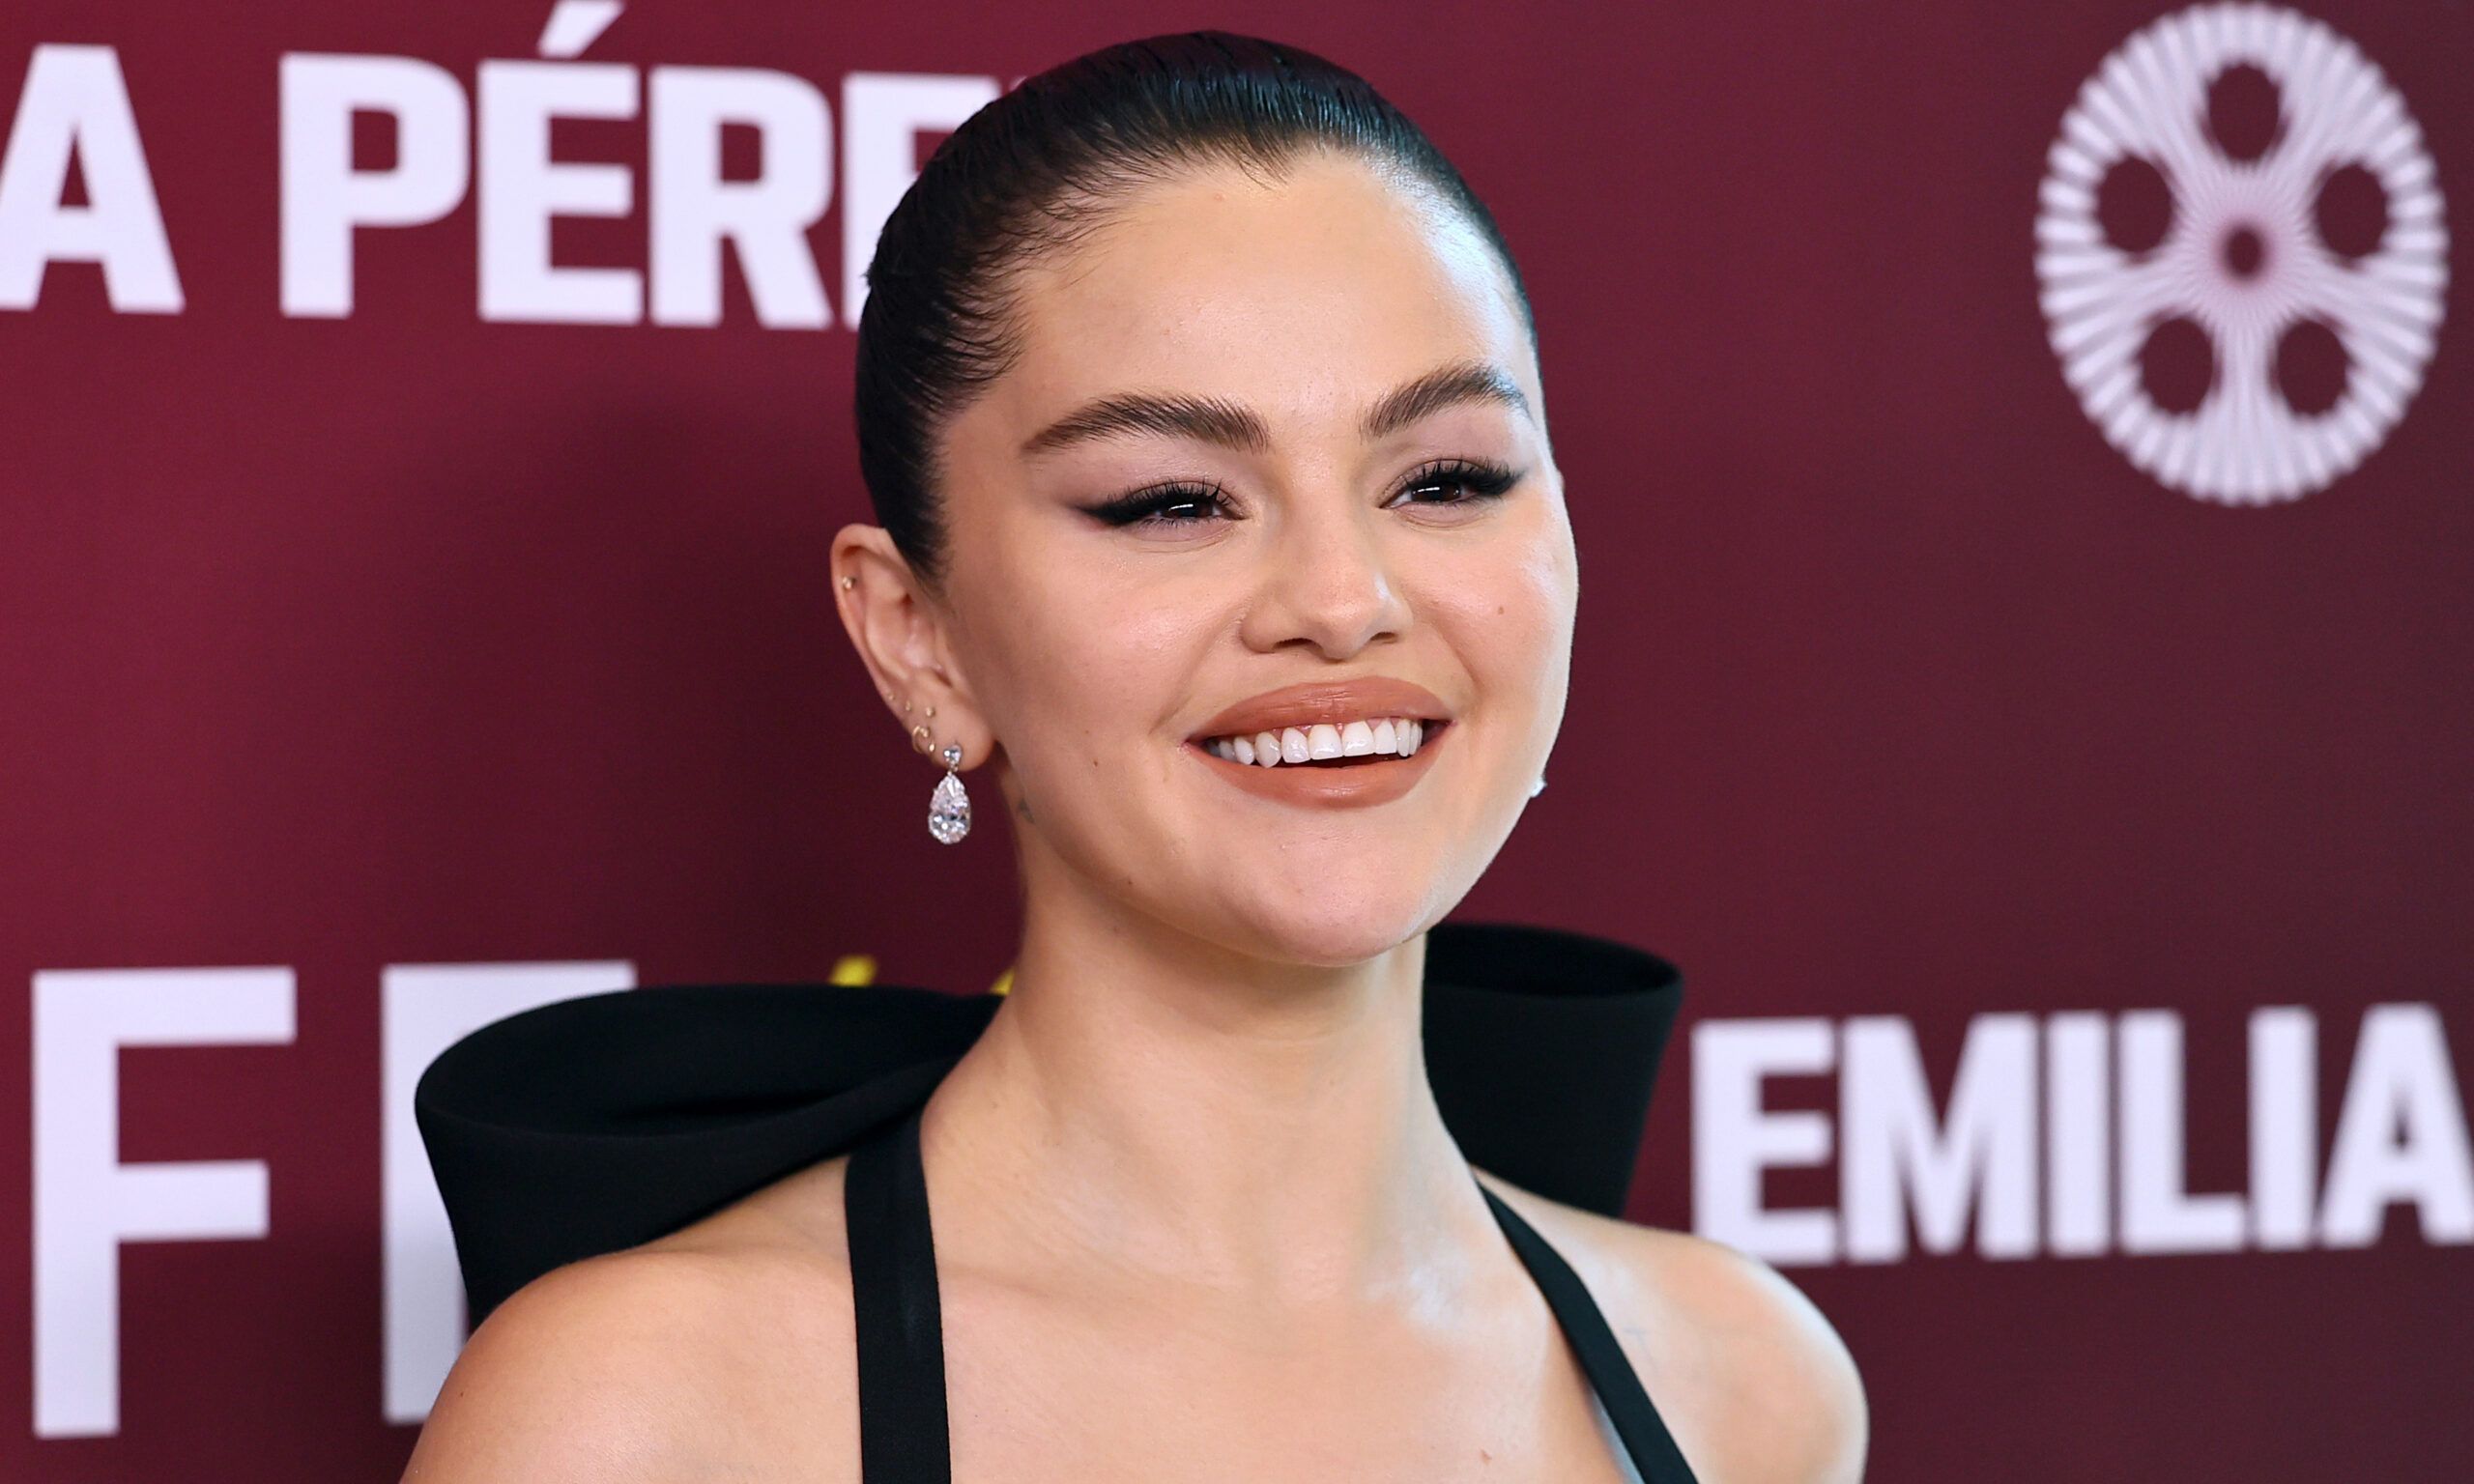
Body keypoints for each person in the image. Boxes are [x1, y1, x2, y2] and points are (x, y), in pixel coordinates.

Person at [402, 30, 1866, 1483]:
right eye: (1172, 501)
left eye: (1446, 478)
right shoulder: (643, 1418)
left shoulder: (1747, 1386)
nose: (1343, 601)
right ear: (918, 638)